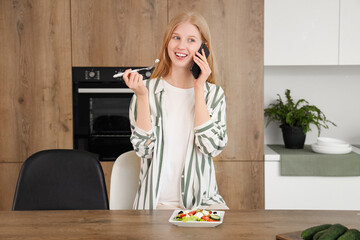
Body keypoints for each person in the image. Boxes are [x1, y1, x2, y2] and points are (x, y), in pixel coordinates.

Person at [122, 11, 228, 210]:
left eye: (191, 40)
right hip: (155, 205)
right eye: (176, 38)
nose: (181, 46)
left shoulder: (213, 95)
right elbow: (143, 150)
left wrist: (199, 87)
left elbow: (211, 147)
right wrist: (143, 98)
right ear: (167, 42)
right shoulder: (145, 91)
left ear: (203, 48)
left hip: (202, 205)